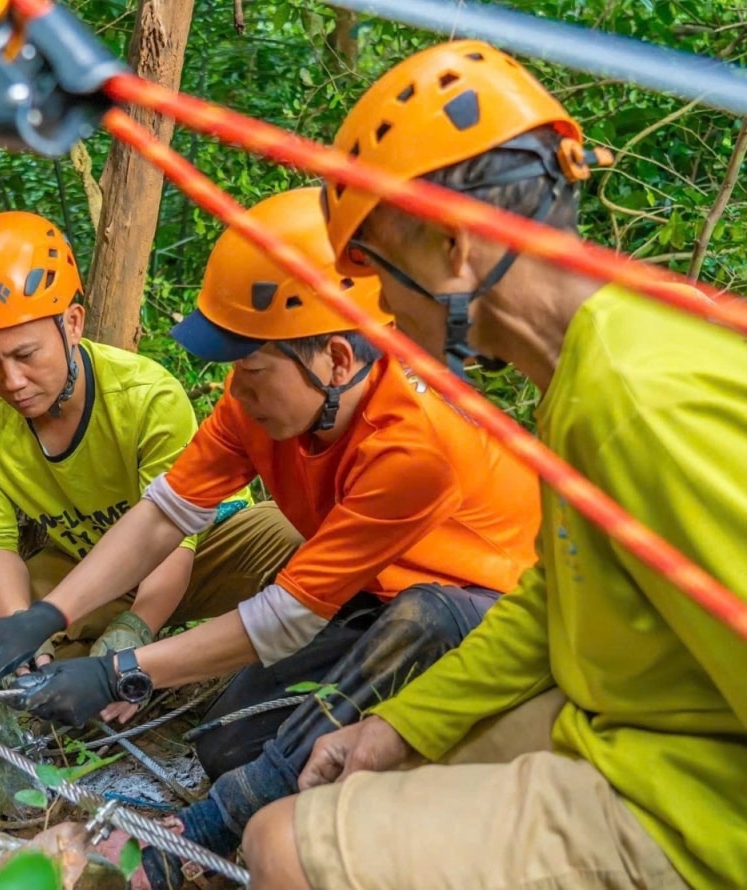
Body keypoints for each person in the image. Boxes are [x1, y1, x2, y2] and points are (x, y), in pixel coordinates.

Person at [240, 40, 747, 890]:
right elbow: (556, 597)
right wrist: (399, 726)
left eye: (384, 277)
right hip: (634, 726)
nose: (391, 319)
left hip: (693, 805)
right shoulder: (600, 356)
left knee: (283, 846)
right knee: (376, 777)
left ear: (453, 247)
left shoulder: (636, 400)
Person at [0, 188, 541, 887]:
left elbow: (289, 614)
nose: (239, 389)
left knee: (424, 618)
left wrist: (121, 671)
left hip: (485, 615)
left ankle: (205, 834)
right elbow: (164, 515)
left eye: (253, 369)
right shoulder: (257, 405)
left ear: (336, 359)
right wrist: (48, 617)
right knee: (228, 738)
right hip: (379, 600)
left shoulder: (416, 444)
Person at [0, 210, 301, 681]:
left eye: (25, 355)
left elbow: (175, 527)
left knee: (299, 540)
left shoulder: (144, 395)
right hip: (91, 567)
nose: (11, 381)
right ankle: (72, 681)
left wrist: (138, 627)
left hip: (206, 545)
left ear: (72, 324)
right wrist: (21, 630)